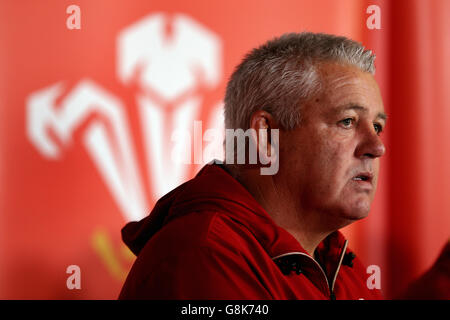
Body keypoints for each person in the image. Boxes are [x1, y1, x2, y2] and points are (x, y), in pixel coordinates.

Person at [119, 32, 387, 300]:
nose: (376, 147)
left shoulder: (341, 266)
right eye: (347, 122)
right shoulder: (203, 255)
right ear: (266, 136)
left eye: (377, 127)